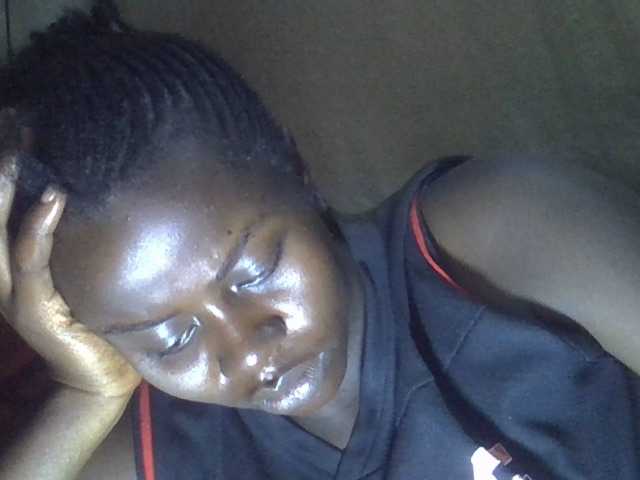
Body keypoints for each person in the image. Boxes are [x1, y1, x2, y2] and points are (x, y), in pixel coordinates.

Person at [0, 4, 639, 480]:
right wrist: (83, 399)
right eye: (170, 340)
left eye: (254, 272)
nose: (246, 350)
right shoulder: (170, 452)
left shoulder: (492, 239)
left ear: (296, 169)